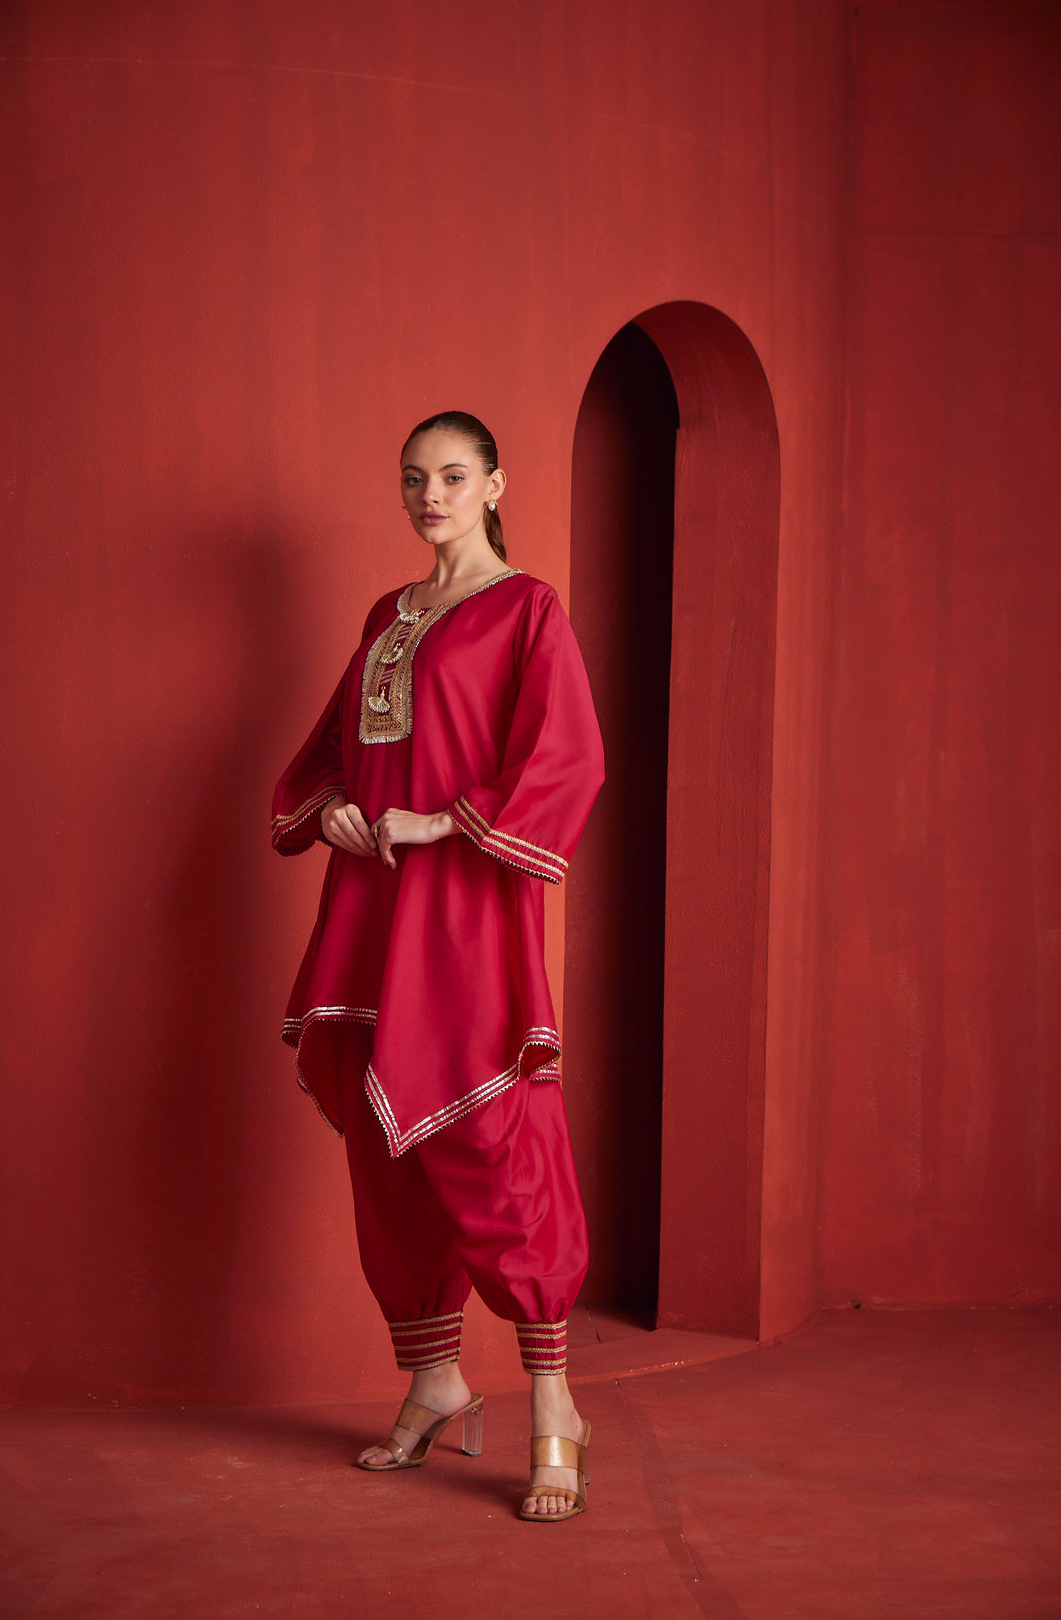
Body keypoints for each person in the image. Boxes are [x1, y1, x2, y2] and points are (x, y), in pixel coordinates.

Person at [271, 410, 604, 1521]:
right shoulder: (389, 614)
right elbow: (334, 751)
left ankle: (554, 1403)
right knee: (386, 1136)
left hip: (462, 902)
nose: (430, 496)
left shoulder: (526, 608)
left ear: (494, 484)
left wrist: (441, 822)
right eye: (414, 479)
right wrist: (335, 812)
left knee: (488, 1132)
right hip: (371, 903)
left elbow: (567, 754)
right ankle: (435, 1380)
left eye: (453, 477)